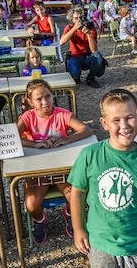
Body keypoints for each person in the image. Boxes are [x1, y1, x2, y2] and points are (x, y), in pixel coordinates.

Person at [68, 89, 137, 268]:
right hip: (101, 244)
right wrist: (78, 228)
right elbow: (77, 193)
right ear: (104, 123)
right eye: (116, 120)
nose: (124, 125)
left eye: (130, 117)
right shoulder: (90, 155)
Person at [17, 79, 92, 244]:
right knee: (31, 204)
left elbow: (86, 129)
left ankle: (70, 214)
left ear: (53, 95)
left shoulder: (62, 114)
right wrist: (35, 144)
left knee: (75, 195)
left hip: (61, 170)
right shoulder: (28, 117)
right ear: (30, 101)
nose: (45, 102)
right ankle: (40, 220)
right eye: (39, 99)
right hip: (38, 172)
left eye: (48, 96)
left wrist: (67, 139)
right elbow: (13, 138)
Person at [60, 6, 101, 88]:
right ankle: (76, 77)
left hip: (87, 56)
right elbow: (61, 42)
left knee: (98, 56)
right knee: (75, 78)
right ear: (72, 19)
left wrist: (88, 34)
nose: (79, 20)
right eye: (76, 18)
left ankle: (90, 78)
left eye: (80, 17)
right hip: (74, 56)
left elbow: (94, 50)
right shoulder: (69, 27)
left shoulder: (90, 27)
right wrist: (74, 28)